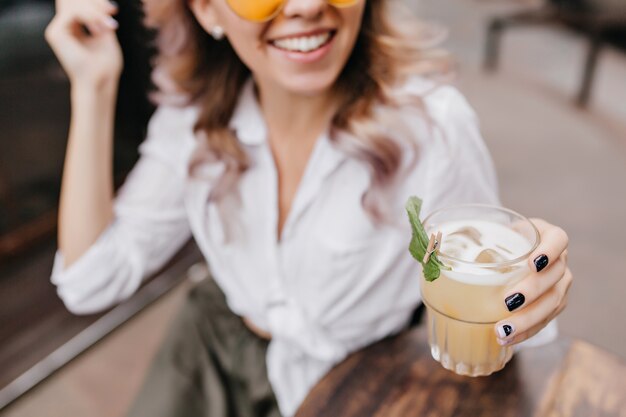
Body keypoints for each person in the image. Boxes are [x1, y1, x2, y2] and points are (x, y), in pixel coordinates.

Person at [44, 0, 573, 416]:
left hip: (358, 379)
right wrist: (93, 86)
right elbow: (90, 280)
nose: (305, 4)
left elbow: (499, 314)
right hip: (211, 355)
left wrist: (526, 294)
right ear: (206, 10)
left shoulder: (432, 127)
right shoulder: (194, 120)